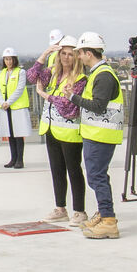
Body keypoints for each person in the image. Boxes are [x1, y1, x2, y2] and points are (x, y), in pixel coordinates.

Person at [75, 33, 124, 239]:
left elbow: (98, 106)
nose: (79, 57)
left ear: (88, 53)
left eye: (80, 53)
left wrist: (72, 97)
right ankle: (104, 215)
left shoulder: (103, 75)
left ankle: (108, 220)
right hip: (95, 133)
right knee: (97, 176)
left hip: (101, 135)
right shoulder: (98, 73)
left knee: (97, 176)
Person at [39, 36, 88, 223]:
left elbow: (69, 106)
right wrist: (45, 54)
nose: (66, 58)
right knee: (57, 170)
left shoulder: (80, 79)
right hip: (51, 128)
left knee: (73, 170)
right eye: (63, 53)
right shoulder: (52, 74)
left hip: (69, 132)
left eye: (71, 54)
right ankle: (60, 208)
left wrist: (45, 95)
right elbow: (32, 76)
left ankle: (79, 211)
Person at [0, 50, 32, 167]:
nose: (8, 61)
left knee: (18, 134)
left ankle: (20, 160)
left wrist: (8, 102)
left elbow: (19, 89)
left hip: (17, 107)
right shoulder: (1, 73)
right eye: (6, 59)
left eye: (10, 59)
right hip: (5, 108)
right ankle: (13, 158)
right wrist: (2, 102)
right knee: (10, 133)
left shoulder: (20, 72)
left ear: (14, 60)